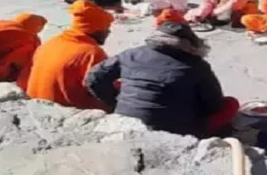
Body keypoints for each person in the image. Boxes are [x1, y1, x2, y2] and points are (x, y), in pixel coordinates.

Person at [86, 15, 239, 138]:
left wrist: (115, 101)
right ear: (188, 44)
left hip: (125, 120)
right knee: (231, 104)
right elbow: (214, 105)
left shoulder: (130, 54)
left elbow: (94, 78)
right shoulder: (196, 66)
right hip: (175, 130)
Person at [26, 0, 113, 110]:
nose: (109, 31)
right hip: (66, 110)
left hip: (35, 104)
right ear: (96, 29)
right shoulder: (91, 53)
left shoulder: (51, 42)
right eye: (107, 27)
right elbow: (103, 88)